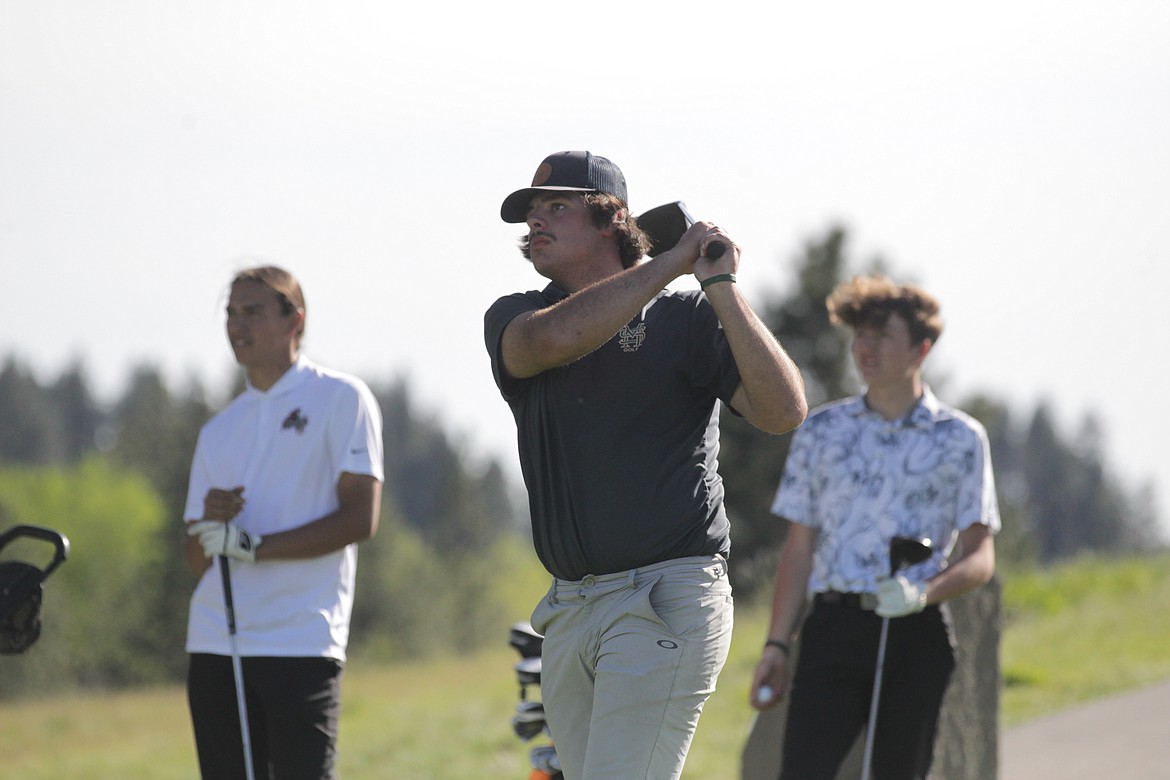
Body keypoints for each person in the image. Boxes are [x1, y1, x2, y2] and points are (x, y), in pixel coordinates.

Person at [484, 150, 807, 780]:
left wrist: (721, 288)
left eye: (556, 207)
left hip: (666, 597)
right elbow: (556, 340)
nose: (535, 224)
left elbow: (783, 411)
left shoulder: (684, 319)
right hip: (570, 610)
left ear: (612, 220)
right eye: (530, 213)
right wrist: (670, 263)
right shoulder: (517, 317)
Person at [749, 274, 1000, 780]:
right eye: (860, 334)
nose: (866, 347)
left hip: (916, 632)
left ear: (921, 348)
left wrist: (922, 592)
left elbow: (980, 557)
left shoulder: (961, 438)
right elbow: (800, 549)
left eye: (883, 335)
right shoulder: (821, 430)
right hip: (832, 629)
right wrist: (777, 645)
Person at [183, 265, 384, 780]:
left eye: (252, 312)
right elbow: (194, 559)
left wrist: (252, 543)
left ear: (296, 320)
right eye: (230, 313)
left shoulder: (342, 398)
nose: (236, 325)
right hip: (216, 643)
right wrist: (211, 521)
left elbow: (360, 518)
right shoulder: (218, 429)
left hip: (301, 640)